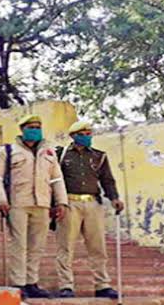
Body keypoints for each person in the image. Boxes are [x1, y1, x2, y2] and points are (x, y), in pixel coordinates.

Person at [0, 114, 69, 298]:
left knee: (37, 246)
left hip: (42, 204)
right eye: (31, 127)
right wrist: (1, 200)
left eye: (37, 127)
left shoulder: (48, 152)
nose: (35, 130)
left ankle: (31, 282)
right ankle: (19, 283)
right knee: (19, 245)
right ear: (22, 130)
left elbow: (57, 179)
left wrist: (61, 202)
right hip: (17, 203)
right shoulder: (7, 151)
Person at [54, 121, 125, 298]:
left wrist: (114, 198)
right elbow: (53, 180)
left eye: (89, 134)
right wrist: (55, 204)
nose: (87, 137)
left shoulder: (99, 156)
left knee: (97, 247)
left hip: (93, 203)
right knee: (66, 247)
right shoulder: (61, 154)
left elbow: (107, 180)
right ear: (73, 136)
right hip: (69, 202)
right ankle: (66, 285)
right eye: (82, 134)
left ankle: (102, 285)